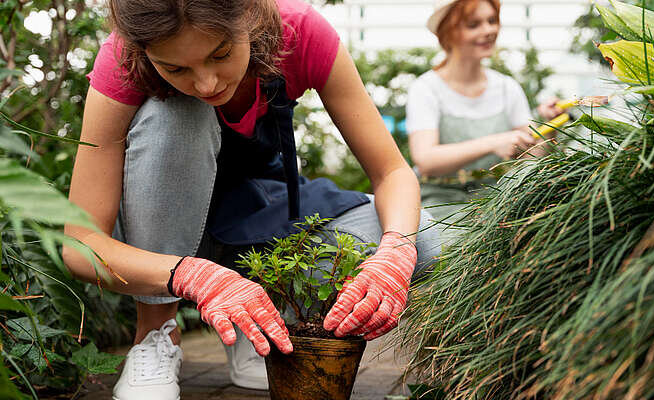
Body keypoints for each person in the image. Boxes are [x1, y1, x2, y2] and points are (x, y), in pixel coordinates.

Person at [62, 0, 439, 398]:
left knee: (426, 238)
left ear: (251, 17)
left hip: (255, 214)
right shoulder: (124, 58)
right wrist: (193, 276)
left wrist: (396, 251)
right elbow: (81, 244)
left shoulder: (299, 32)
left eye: (220, 53)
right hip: (156, 233)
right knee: (177, 115)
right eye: (175, 68)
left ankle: (261, 323)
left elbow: (392, 173)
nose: (207, 84)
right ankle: (156, 334)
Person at [406, 0, 562, 240]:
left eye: (492, 21)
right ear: (449, 32)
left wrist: (550, 125)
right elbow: (426, 159)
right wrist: (493, 142)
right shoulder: (426, 89)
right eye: (474, 24)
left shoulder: (506, 88)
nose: (489, 30)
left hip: (498, 200)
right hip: (439, 206)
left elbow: (532, 157)